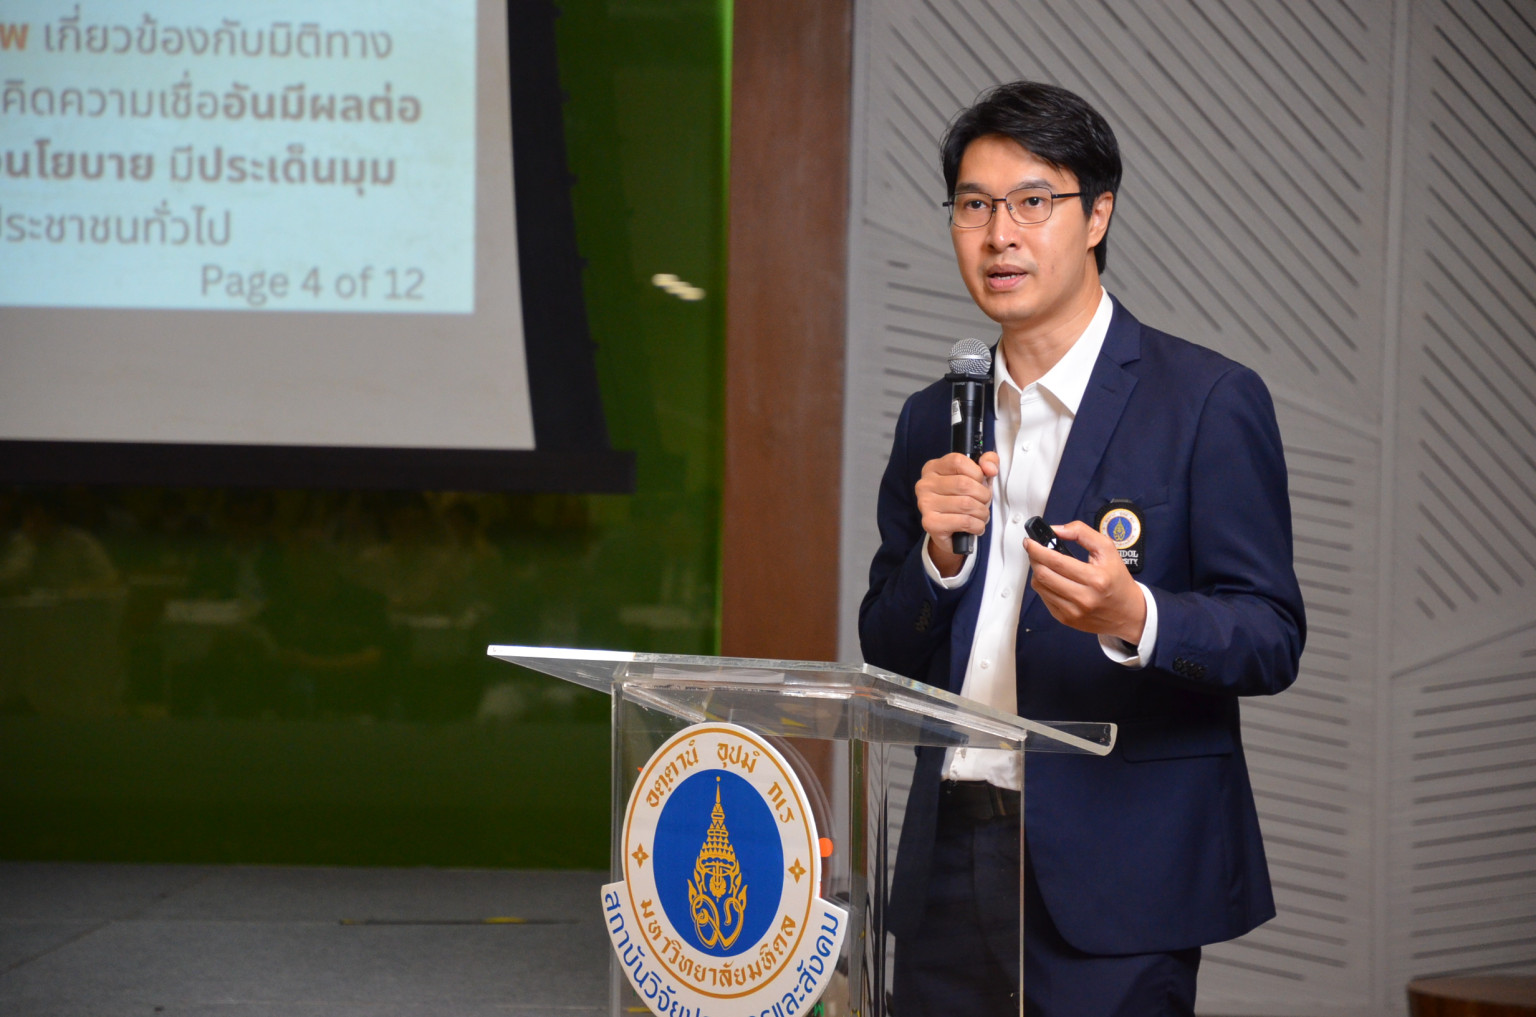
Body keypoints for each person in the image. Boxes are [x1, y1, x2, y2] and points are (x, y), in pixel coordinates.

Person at [859, 81, 1306, 1017]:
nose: (999, 235)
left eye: (1032, 201)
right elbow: (885, 646)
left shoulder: (1206, 400)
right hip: (950, 857)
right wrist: (939, 563)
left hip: (1119, 867)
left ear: (1098, 214)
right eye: (974, 206)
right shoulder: (932, 418)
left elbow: (1271, 635)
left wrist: (1134, 615)